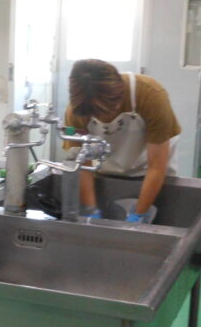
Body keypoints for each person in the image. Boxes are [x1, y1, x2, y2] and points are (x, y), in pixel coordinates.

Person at [64, 59, 180, 223]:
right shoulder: (78, 110)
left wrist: (139, 215)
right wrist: (91, 211)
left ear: (120, 93)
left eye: (107, 111)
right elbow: (83, 166)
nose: (103, 119)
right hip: (105, 171)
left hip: (152, 171)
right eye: (96, 114)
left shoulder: (151, 95)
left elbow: (156, 166)